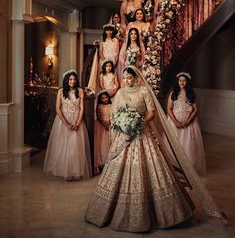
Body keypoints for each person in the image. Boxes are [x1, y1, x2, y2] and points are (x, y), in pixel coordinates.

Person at [85, 66, 226, 232]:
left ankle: (164, 213)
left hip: (142, 133)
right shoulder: (120, 94)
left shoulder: (144, 92)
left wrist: (139, 122)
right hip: (124, 136)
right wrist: (124, 124)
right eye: (124, 78)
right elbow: (115, 115)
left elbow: (152, 112)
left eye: (130, 78)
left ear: (136, 78)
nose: (127, 81)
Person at [44, 69, 92, 180]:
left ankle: (74, 171)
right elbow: (57, 108)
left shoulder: (80, 91)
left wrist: (78, 123)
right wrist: (66, 124)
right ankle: (63, 170)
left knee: (75, 147)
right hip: (63, 121)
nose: (72, 81)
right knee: (62, 147)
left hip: (76, 119)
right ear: (66, 80)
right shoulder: (61, 91)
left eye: (74, 79)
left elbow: (81, 108)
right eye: (70, 79)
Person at [166, 72, 206, 175]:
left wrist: (188, 121)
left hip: (189, 124)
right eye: (180, 81)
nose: (182, 83)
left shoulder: (191, 94)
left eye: (184, 81)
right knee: (175, 144)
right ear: (177, 82)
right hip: (175, 123)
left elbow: (195, 110)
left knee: (188, 144)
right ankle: (175, 167)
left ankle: (188, 169)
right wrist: (176, 122)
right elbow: (169, 109)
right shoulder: (173, 94)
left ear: (187, 82)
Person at [94, 90, 112, 174]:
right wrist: (104, 123)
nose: (105, 99)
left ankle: (110, 163)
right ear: (100, 99)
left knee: (109, 143)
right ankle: (102, 163)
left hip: (110, 125)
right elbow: (98, 116)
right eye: (103, 98)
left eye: (106, 97)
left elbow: (113, 114)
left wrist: (109, 122)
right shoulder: (99, 106)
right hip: (101, 126)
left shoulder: (111, 105)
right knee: (102, 144)